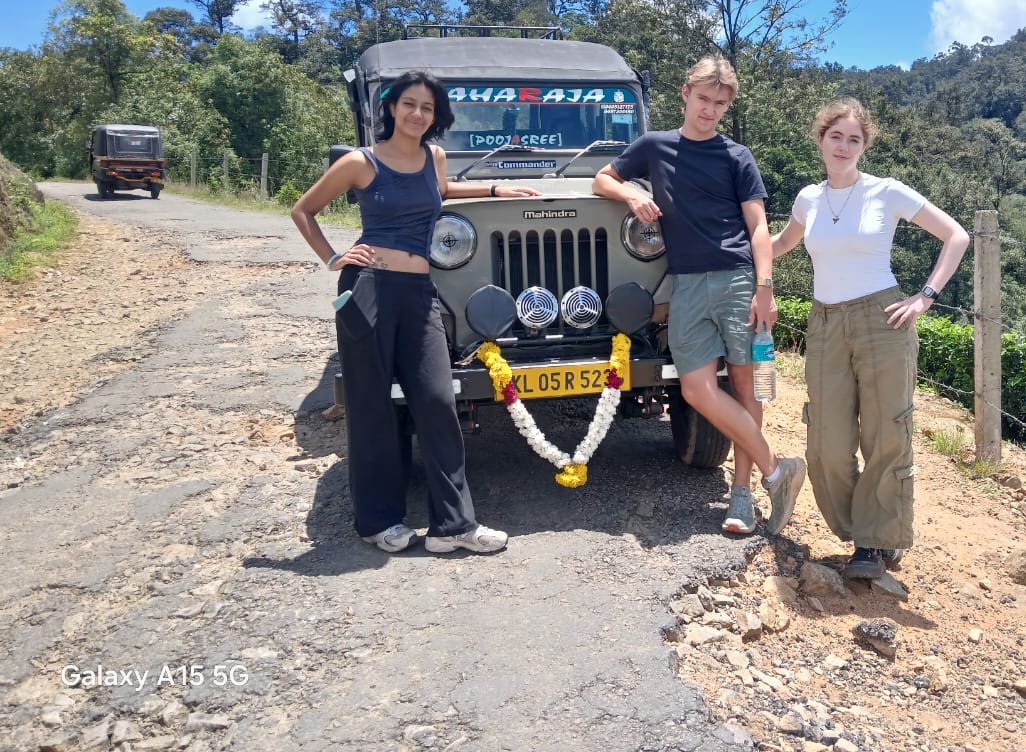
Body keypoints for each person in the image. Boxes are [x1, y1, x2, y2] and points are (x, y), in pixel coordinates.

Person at [291, 70, 536, 554]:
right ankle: (378, 521)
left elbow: (441, 192)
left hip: (420, 290)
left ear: (435, 115)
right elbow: (303, 210)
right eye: (408, 104)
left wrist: (494, 191)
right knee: (372, 405)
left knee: (437, 400)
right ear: (390, 108)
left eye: (426, 107)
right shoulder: (361, 163)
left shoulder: (433, 157)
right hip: (369, 289)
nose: (417, 114)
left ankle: (454, 527)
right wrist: (334, 257)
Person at [592, 56, 807, 536]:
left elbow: (757, 227)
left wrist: (766, 287)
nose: (710, 110)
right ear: (686, 92)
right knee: (695, 389)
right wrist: (630, 195)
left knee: (747, 389)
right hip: (685, 283)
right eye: (704, 99)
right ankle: (780, 471)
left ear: (727, 107)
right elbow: (602, 178)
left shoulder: (737, 157)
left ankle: (743, 495)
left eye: (720, 103)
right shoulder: (654, 146)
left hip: (737, 280)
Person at [771, 97, 970, 579]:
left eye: (854, 139)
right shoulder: (808, 199)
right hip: (824, 323)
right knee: (827, 442)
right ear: (820, 139)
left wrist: (925, 296)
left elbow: (956, 236)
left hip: (884, 320)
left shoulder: (887, 192)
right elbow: (779, 245)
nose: (843, 146)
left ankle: (874, 541)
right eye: (835, 136)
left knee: (886, 433)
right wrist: (737, 256)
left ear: (865, 145)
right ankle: (861, 527)